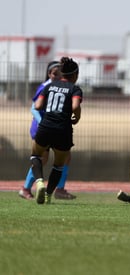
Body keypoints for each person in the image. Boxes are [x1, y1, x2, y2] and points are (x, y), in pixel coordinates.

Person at [19, 61, 76, 200]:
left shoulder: (59, 87)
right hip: (43, 126)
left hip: (53, 127)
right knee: (42, 158)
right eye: (54, 73)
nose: (57, 76)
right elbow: (34, 107)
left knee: (65, 157)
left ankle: (59, 189)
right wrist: (42, 122)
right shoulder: (45, 86)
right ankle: (26, 188)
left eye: (59, 73)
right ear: (49, 74)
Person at [30, 57, 82, 204]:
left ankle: (39, 183)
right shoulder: (75, 89)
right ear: (75, 75)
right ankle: (47, 195)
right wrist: (75, 118)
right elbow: (75, 106)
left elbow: (38, 105)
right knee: (59, 165)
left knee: (36, 155)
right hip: (63, 130)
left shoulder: (49, 86)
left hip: (45, 127)